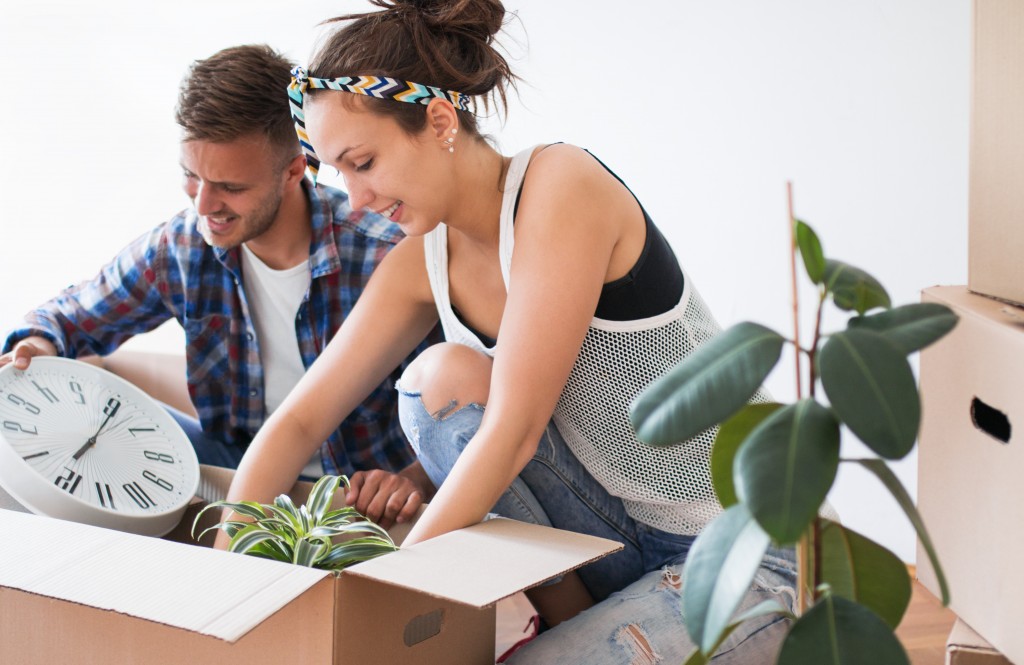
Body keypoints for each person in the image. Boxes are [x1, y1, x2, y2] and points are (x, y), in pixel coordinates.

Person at [221, 1, 797, 661]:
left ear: (438, 122)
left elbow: (515, 430)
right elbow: (299, 421)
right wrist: (223, 571)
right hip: (617, 546)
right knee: (438, 383)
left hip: (743, 550)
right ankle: (572, 622)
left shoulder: (561, 185)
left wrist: (376, 601)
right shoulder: (421, 259)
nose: (354, 199)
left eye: (364, 162)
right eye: (337, 172)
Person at [0, 44, 437, 525]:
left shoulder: (385, 253)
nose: (204, 204)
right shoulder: (182, 247)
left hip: (354, 491)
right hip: (231, 469)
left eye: (231, 187)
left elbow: (469, 400)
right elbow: (69, 317)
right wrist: (39, 342)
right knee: (94, 430)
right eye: (191, 176)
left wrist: (416, 477)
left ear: (294, 170)